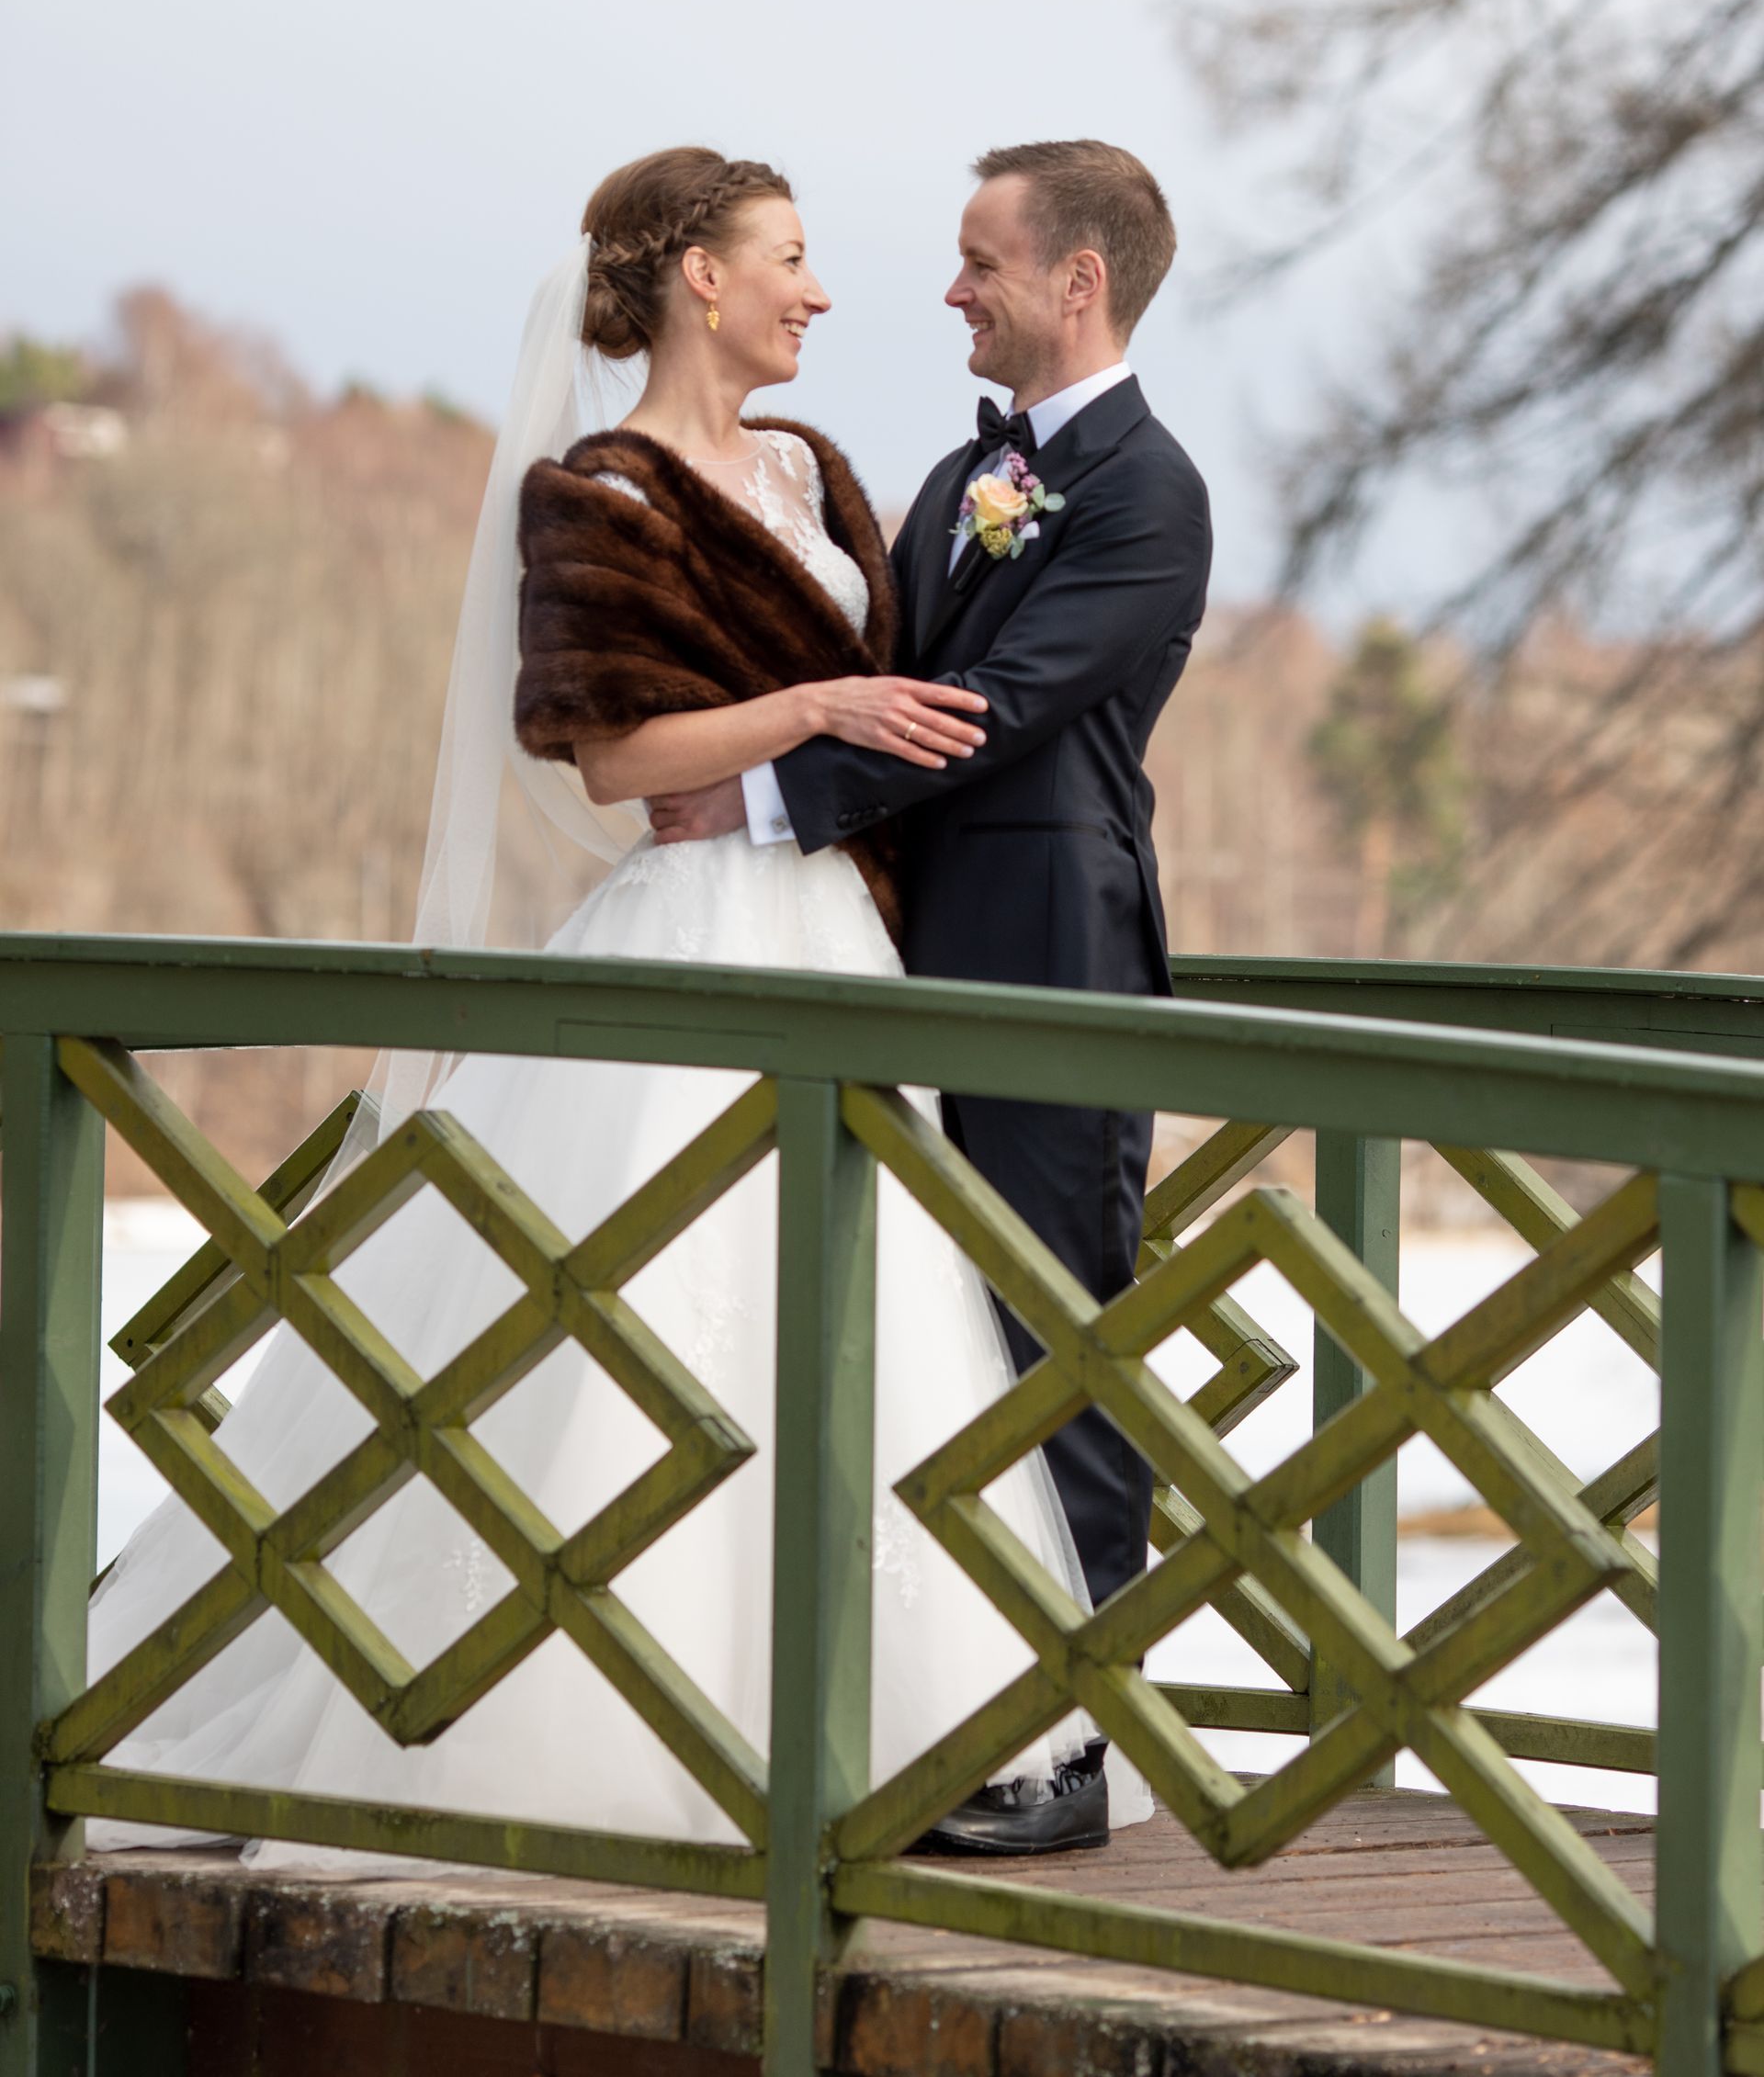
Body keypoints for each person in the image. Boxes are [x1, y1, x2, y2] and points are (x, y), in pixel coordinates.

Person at [84, 146, 1128, 1871]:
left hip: (844, 946)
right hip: (699, 945)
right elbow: (618, 759)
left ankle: (883, 1737)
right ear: (700, 277)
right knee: (634, 1316)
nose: (820, 293)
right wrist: (814, 710)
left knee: (867, 1325)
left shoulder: (820, 471)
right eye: (790, 257)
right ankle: (575, 1720)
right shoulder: (599, 497)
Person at [649, 141, 1212, 1856]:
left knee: (1060, 1339)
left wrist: (754, 807)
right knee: (929, 1340)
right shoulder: (971, 473)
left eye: (981, 261)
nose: (952, 290)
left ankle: (1073, 1755)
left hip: (1052, 962)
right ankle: (921, 1708)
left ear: (1077, 282)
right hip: (896, 948)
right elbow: (885, 672)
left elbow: (991, 707)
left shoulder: (1149, 492)